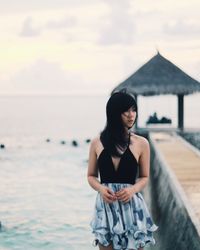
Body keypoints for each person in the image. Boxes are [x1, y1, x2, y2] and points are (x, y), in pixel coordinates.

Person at [87, 91, 158, 250]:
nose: (131, 115)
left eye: (134, 110)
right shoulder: (96, 142)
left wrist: (132, 189)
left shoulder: (142, 143)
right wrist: (100, 188)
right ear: (114, 112)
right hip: (106, 208)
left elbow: (145, 177)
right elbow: (91, 176)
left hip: (132, 206)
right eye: (126, 110)